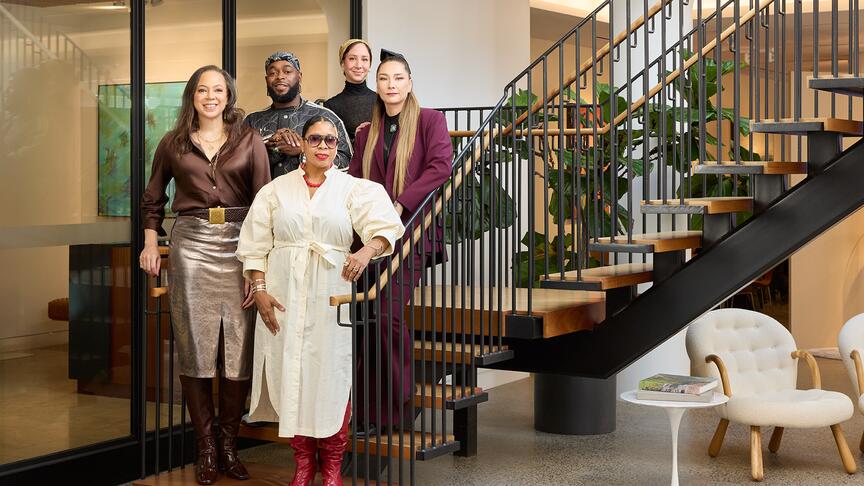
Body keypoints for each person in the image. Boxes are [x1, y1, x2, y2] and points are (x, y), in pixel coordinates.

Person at [236, 116, 404, 486]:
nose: (323, 146)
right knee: (292, 373)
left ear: (337, 146)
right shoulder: (276, 190)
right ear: (304, 142)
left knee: (330, 376)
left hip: (331, 292)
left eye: (330, 140)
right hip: (283, 291)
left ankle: (330, 467)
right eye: (316, 139)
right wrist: (260, 290)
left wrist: (366, 251)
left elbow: (386, 227)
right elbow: (255, 244)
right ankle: (301, 464)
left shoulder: (354, 189)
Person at [140, 65, 271, 485]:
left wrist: (259, 268)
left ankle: (229, 444)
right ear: (192, 97)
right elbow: (152, 200)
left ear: (228, 96)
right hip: (192, 245)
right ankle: (206, 448)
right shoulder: (173, 143)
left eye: (218, 90)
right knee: (195, 347)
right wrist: (149, 243)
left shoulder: (249, 140)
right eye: (202, 90)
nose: (210, 96)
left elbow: (265, 206)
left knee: (238, 346)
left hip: (240, 244)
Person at [348, 50, 453, 436]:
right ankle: (366, 411)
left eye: (398, 78)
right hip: (371, 237)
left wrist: (400, 203)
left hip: (412, 235)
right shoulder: (366, 131)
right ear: (377, 86)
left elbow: (441, 168)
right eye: (384, 79)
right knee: (365, 321)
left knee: (386, 316)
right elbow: (357, 178)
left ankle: (397, 403)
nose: (391, 85)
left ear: (410, 83)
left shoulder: (430, 121)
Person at [245, 51, 352, 178]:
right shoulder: (252, 121)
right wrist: (270, 149)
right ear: (266, 80)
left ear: (299, 77)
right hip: (266, 197)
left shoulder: (325, 117)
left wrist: (304, 150)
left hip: (314, 196)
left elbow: (346, 164)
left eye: (287, 71)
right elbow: (238, 167)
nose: (280, 76)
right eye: (272, 73)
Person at [324, 39, 376, 145]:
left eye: (365, 59)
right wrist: (354, 139)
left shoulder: (382, 101)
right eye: (352, 58)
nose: (359, 65)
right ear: (342, 63)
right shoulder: (331, 106)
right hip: (348, 161)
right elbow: (329, 145)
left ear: (370, 65)